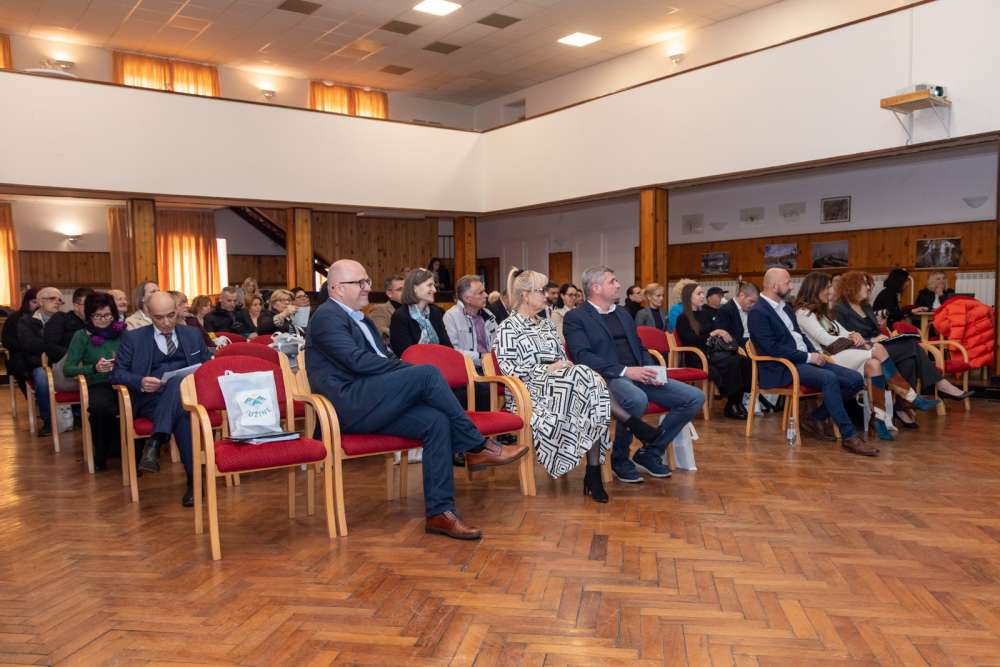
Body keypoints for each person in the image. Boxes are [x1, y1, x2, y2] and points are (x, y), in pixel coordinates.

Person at [305, 259, 528, 540]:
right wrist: (406, 371)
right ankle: (476, 445)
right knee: (426, 374)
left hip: (373, 400)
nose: (367, 288)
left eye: (367, 281)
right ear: (337, 288)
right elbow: (357, 361)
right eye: (359, 283)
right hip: (348, 406)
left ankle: (440, 513)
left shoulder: (360, 318)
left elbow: (383, 358)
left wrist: (403, 371)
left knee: (435, 422)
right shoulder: (327, 317)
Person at [495, 268, 632, 503]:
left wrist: (563, 365)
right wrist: (547, 369)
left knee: (589, 389)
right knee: (589, 385)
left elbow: (561, 357)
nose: (547, 296)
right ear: (525, 295)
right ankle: (627, 427)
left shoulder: (546, 325)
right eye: (541, 291)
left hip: (561, 386)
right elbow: (510, 370)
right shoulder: (508, 327)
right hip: (529, 392)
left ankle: (593, 473)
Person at [564, 266, 705, 483]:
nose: (618, 284)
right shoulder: (576, 317)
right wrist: (626, 371)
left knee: (694, 397)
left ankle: (651, 451)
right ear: (596, 287)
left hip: (639, 373)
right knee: (636, 399)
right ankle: (620, 459)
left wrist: (651, 369)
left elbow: (639, 346)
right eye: (612, 281)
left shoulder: (622, 313)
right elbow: (583, 356)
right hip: (607, 378)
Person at [794, 272, 938, 441]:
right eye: (827, 287)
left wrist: (853, 334)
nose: (831, 291)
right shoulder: (803, 313)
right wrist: (855, 339)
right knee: (878, 349)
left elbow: (843, 332)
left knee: (874, 365)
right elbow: (826, 339)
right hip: (827, 358)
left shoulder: (823, 312)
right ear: (815, 288)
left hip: (841, 353)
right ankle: (911, 397)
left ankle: (879, 420)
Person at [748, 268, 873, 456]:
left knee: (855, 379)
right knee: (829, 378)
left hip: (803, 360)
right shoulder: (758, 312)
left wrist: (815, 354)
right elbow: (772, 349)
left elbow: (800, 336)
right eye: (787, 283)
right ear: (774, 286)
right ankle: (849, 437)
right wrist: (808, 357)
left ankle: (814, 417)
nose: (791, 287)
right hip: (781, 367)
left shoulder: (785, 307)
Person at [111, 292, 211, 507]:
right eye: (159, 317)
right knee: (183, 416)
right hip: (151, 400)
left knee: (178, 385)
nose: (166, 322)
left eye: (171, 315)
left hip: (190, 396)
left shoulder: (192, 334)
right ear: (148, 313)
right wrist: (140, 381)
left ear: (177, 311)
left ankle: (156, 441)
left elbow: (208, 367)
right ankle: (195, 483)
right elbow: (117, 374)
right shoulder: (134, 337)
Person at [832, 271, 972, 418]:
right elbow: (843, 340)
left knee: (909, 359)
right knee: (911, 345)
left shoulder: (866, 307)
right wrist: (871, 340)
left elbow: (874, 331)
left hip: (879, 347)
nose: (868, 287)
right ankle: (938, 385)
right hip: (862, 353)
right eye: (865, 284)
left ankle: (902, 406)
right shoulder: (839, 310)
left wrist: (880, 329)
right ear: (852, 286)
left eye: (868, 284)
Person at [63, 293, 126, 470]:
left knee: (141, 402)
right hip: (99, 382)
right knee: (101, 407)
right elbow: (68, 369)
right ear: (89, 315)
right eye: (98, 316)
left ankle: (134, 454)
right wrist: (94, 368)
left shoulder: (123, 332)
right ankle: (102, 453)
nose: (103, 320)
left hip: (124, 380)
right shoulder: (82, 336)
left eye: (108, 315)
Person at [675, 283, 750, 420]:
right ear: (688, 297)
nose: (702, 296)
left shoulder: (706, 314)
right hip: (698, 357)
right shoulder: (683, 318)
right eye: (698, 294)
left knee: (743, 360)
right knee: (732, 361)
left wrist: (722, 333)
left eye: (702, 293)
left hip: (713, 353)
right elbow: (691, 341)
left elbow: (716, 332)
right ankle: (732, 404)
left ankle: (736, 401)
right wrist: (713, 333)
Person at [18, 286, 63, 436]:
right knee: (43, 378)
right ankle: (48, 420)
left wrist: (52, 349)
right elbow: (30, 345)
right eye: (52, 299)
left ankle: (77, 415)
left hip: (62, 362)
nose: (57, 302)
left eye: (59, 300)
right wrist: (51, 347)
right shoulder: (27, 321)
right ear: (40, 302)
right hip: (38, 363)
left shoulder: (64, 320)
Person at [389, 268, 451, 357]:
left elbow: (447, 347)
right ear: (414, 288)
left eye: (434, 285)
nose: (434, 290)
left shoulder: (435, 312)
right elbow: (405, 354)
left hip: (440, 361)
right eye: (429, 285)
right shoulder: (401, 316)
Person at [443, 274, 498, 371]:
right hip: (466, 370)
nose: (486, 295)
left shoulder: (488, 314)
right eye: (481, 293)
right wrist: (482, 356)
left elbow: (499, 343)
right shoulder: (451, 316)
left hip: (491, 368)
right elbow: (452, 351)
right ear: (467, 299)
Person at [2, 288, 38, 396]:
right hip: (20, 354)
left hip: (40, 354)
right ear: (27, 302)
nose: (37, 305)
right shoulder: (14, 318)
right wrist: (26, 346)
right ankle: (35, 397)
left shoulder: (46, 317)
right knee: (22, 367)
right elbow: (7, 341)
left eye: (40, 302)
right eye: (34, 302)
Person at [44, 287, 94, 365]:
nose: (93, 309)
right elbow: (50, 347)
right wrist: (76, 356)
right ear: (76, 306)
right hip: (66, 363)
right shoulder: (61, 318)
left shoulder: (97, 322)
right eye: (88, 305)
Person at [367, 274, 404, 342]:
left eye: (406, 289)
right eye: (400, 289)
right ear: (389, 293)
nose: (405, 292)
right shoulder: (379, 309)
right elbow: (380, 330)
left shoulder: (411, 309)